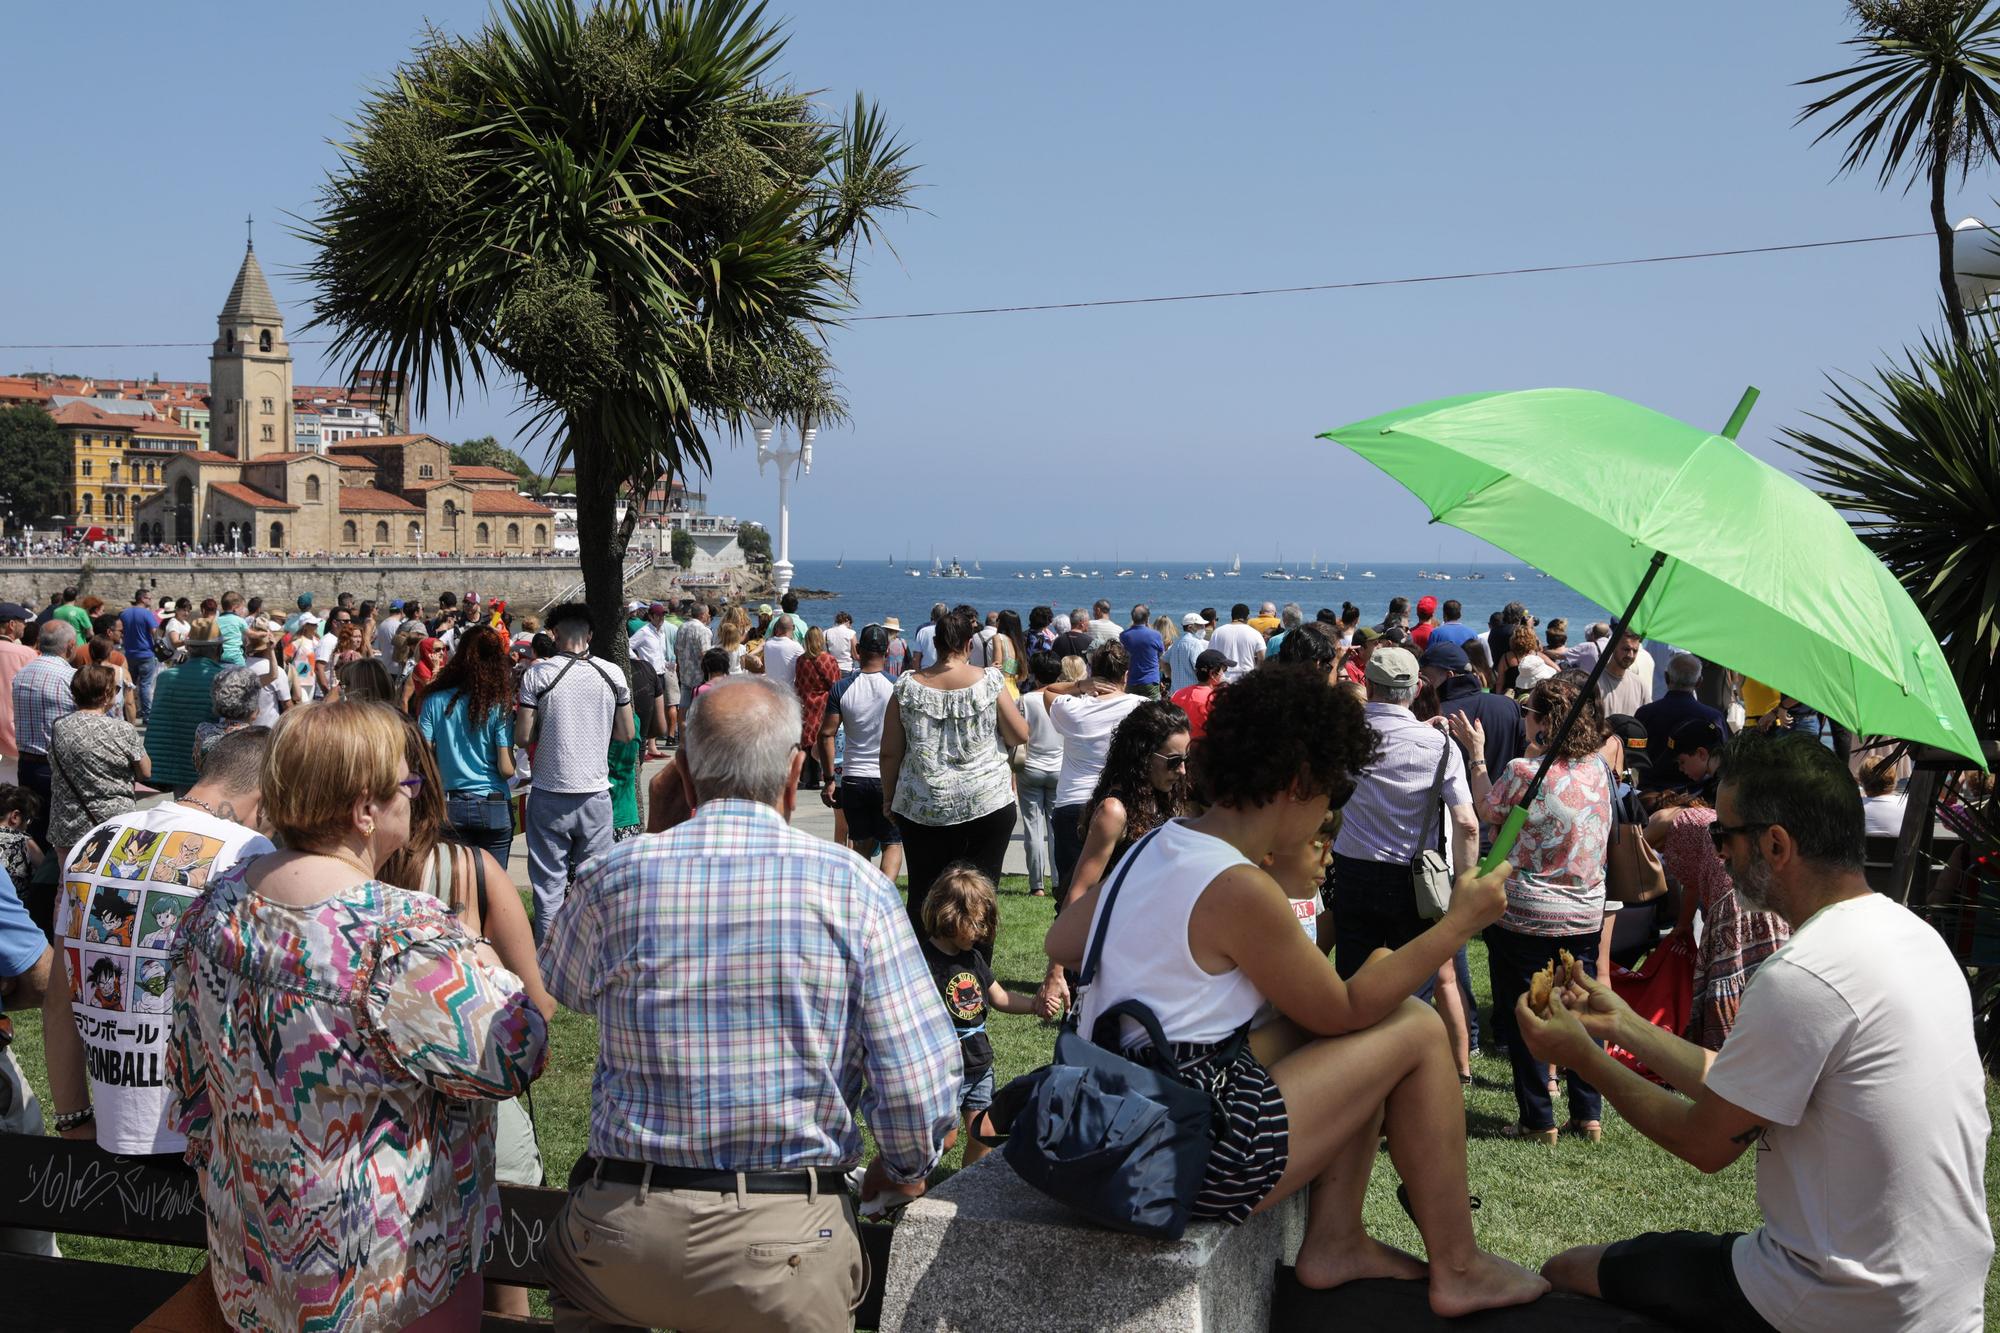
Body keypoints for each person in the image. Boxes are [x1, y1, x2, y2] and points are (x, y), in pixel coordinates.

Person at [1044, 665, 1546, 1317]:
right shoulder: (1239, 885)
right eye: (1332, 795)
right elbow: (1346, 1008)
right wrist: (1457, 923)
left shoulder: (1159, 844)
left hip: (1122, 1111)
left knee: (1348, 1027)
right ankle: (1457, 1264)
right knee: (1414, 1027)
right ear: (1295, 786)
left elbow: (1063, 940)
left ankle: (1337, 1239)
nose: (1332, 812)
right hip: (1192, 1148)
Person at [1523, 732, 1993, 1331]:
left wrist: (1581, 1057)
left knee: (1565, 1271)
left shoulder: (1805, 973)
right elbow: (1742, 1088)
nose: (1718, 854)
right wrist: (1623, 1024)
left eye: (1724, 836)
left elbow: (1706, 1142)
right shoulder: (1915, 937)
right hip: (1937, 1298)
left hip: (1833, 1299)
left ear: (1775, 844)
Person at [538, 678, 961, 1333]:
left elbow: (564, 983)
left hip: (624, 1230)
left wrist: (657, 842)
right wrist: (905, 1165)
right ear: (796, 770)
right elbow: (916, 1085)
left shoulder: (615, 876)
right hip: (785, 1239)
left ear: (680, 771)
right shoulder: (855, 889)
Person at [169, 701, 547, 1332]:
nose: (417, 796)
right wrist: (481, 953)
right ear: (366, 810)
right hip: (392, 1277)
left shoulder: (216, 907)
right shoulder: (399, 935)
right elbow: (515, 1053)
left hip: (252, 1257)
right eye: (409, 783)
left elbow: (190, 1077)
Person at [378, 719, 553, 1321]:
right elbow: (538, 1007)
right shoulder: (469, 870)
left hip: (373, 1141)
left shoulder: (311, 880)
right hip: (475, 1118)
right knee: (504, 1285)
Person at [42, 727, 274, 1159]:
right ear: (269, 796)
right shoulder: (248, 849)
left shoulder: (98, 839)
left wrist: (72, 1116)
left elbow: (60, 996)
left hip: (117, 1119)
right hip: (208, 1125)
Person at [1450, 669, 1614, 1142]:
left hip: (1527, 910)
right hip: (1585, 908)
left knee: (1527, 1008)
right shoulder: (1599, 768)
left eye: (1528, 711)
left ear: (1544, 720)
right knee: (1578, 1007)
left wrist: (1477, 758)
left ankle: (1538, 1118)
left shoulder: (1527, 770)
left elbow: (1487, 811)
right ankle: (1589, 1113)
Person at [1329, 646, 1476, 995]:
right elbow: (1467, 824)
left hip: (1352, 870)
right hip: (1414, 879)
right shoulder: (1440, 746)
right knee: (1410, 992)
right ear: (1416, 689)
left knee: (1353, 983)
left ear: (1367, 684)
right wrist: (1465, 888)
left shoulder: (1342, 735)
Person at [881, 608, 1028, 942]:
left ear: (935, 643)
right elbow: (1019, 734)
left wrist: (889, 797)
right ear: (968, 644)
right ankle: (976, 977)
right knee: (981, 896)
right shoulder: (990, 681)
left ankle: (926, 972)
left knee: (923, 892)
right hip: (986, 801)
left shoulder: (907, 687)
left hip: (923, 804)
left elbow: (890, 751)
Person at [515, 604, 634, 940]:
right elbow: (626, 733)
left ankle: (548, 960)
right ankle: (590, 952)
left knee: (548, 887)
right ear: (590, 634)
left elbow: (523, 737)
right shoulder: (612, 674)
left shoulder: (538, 675)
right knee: (593, 884)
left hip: (549, 791)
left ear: (554, 634)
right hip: (595, 793)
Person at [1644, 796, 1789, 1051]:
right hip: (1758, 890)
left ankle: (1724, 1044)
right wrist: (1683, 925)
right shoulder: (1704, 820)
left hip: (1728, 895)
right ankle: (1767, 1036)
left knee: (1728, 969)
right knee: (1761, 969)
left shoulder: (1663, 817)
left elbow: (1636, 847)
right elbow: (1691, 887)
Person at [919, 865, 1038, 1166]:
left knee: (982, 1133)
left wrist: (1034, 1004)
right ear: (950, 915)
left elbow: (999, 997)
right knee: (945, 1138)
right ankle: (906, 1176)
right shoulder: (923, 961)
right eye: (975, 923)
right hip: (944, 1069)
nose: (982, 932)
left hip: (980, 1065)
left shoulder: (972, 957)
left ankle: (965, 1186)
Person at [1061, 699, 1192, 917]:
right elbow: (1079, 893)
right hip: (1115, 930)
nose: (1182, 770)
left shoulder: (1163, 797)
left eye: (1186, 759)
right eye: (1173, 761)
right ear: (1143, 756)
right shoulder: (1114, 811)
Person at [1042, 642, 1144, 901]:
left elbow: (1048, 691)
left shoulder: (1073, 708)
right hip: (1122, 805)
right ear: (1125, 675)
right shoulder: (1142, 708)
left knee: (1070, 892)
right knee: (1119, 895)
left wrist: (1080, 687)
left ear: (1092, 672)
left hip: (1072, 804)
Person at [420, 625, 520, 867]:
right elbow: (506, 769)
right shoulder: (498, 704)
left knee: (456, 883)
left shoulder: (434, 700)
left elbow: (422, 755)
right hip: (492, 801)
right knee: (493, 885)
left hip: (449, 802)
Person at [818, 624, 905, 883]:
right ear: (887, 651)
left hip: (854, 777)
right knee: (892, 843)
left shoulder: (841, 688)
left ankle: (864, 896)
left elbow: (826, 735)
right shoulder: (897, 687)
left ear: (857, 650)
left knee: (861, 845)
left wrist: (829, 779)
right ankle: (885, 893)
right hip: (887, 778)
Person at [47, 665, 150, 860]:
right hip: (113, 824)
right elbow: (145, 771)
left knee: (67, 883)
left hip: (68, 823)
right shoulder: (123, 730)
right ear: (105, 694)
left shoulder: (59, 726)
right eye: (116, 690)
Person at [13, 619, 77, 849]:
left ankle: (33, 880)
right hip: (57, 767)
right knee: (62, 834)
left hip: (27, 763)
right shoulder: (70, 678)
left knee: (34, 829)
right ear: (70, 646)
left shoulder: (22, 674)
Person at [1014, 652, 1066, 899]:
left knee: (1032, 828)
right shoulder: (1064, 700)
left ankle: (1037, 884)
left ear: (1034, 674)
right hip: (1058, 767)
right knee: (1056, 829)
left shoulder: (1025, 701)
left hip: (1031, 766)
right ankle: (1058, 879)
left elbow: (1017, 733)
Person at [146, 631, 221, 800]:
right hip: (208, 761)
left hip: (175, 760)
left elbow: (159, 721)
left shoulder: (165, 677)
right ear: (217, 649)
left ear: (188, 648)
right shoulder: (221, 677)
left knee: (182, 803)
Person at [1633, 653, 1726, 788]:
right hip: (1697, 796)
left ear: (1666, 677)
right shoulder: (1713, 717)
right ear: (1699, 682)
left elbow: (1635, 759)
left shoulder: (1645, 713)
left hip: (1649, 796)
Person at [628, 601, 673, 759]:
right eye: (659, 615)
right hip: (648, 674)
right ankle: (644, 747)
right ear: (651, 616)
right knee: (647, 709)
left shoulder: (661, 633)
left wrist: (667, 664)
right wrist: (638, 660)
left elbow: (659, 654)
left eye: (663, 615)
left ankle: (652, 746)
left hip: (660, 673)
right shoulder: (644, 631)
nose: (661, 618)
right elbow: (627, 646)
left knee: (656, 711)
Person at [0, 602, 38, 773]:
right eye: (23, 620)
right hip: (16, 733)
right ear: (11, 625)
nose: (25, 625)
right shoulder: (26, 654)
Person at [1171, 647, 1230, 742]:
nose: (1224, 673)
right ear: (1213, 673)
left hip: (1182, 748)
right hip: (1205, 750)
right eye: (1224, 670)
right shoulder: (1216, 698)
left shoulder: (1178, 694)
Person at [119, 588, 160, 721]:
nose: (150, 600)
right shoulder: (147, 614)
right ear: (142, 598)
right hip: (146, 654)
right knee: (146, 685)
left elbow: (120, 631)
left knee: (129, 685)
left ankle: (127, 712)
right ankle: (147, 714)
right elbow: (154, 632)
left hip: (129, 654)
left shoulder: (124, 613)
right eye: (149, 598)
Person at [1664, 717, 1726, 803]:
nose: (1680, 769)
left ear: (1701, 753)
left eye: (1682, 762)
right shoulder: (1715, 783)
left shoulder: (1725, 786)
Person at [1597, 630, 1652, 718]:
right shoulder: (1595, 681)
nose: (1630, 655)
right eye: (1626, 649)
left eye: (1635, 651)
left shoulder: (1640, 685)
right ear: (1613, 647)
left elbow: (1648, 718)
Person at [1209, 603, 1265, 683]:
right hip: (1246, 678)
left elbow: (1211, 656)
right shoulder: (1255, 633)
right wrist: (1256, 673)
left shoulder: (1217, 632)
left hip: (1223, 678)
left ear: (1232, 616)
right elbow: (1262, 657)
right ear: (1247, 617)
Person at [1120, 603, 1165, 698]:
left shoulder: (1124, 636)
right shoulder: (1155, 635)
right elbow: (1161, 655)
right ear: (1147, 618)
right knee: (1153, 710)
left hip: (1131, 680)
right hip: (1150, 680)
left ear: (1132, 618)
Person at [1859, 757, 1907, 835]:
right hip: (1901, 847)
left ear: (1861, 780)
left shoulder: (1852, 808)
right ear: (1893, 778)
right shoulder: (1908, 804)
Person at [1163, 610, 1208, 693]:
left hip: (1175, 692)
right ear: (1190, 627)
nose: (1204, 628)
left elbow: (1164, 661)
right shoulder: (1195, 643)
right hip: (1191, 692)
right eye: (1200, 626)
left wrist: (1171, 676)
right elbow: (1200, 668)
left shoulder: (1176, 643)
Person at [762, 613, 805, 688]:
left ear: (777, 628)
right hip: (788, 693)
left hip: (770, 690)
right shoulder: (796, 647)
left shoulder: (768, 644)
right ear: (793, 627)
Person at [911, 601, 948, 669]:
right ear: (946, 615)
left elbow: (916, 659)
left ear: (932, 615)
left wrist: (917, 673)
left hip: (926, 671)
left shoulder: (923, 631)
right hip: (944, 670)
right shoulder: (949, 631)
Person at [825, 609, 858, 674]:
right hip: (847, 668)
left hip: (831, 668)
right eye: (850, 624)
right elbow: (855, 655)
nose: (850, 627)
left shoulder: (826, 632)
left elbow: (824, 653)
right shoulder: (851, 633)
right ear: (847, 621)